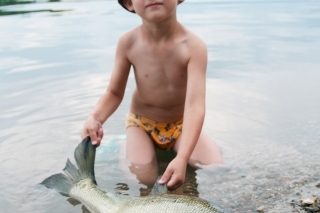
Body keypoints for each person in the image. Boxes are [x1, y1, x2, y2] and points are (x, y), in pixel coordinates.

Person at [81, 0, 223, 191]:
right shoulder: (128, 43)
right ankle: (125, 143)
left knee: (215, 168)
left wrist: (182, 158)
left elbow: (194, 106)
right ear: (129, 3)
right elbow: (114, 93)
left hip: (181, 124)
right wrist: (95, 117)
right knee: (143, 178)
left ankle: (177, 153)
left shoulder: (193, 47)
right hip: (142, 124)